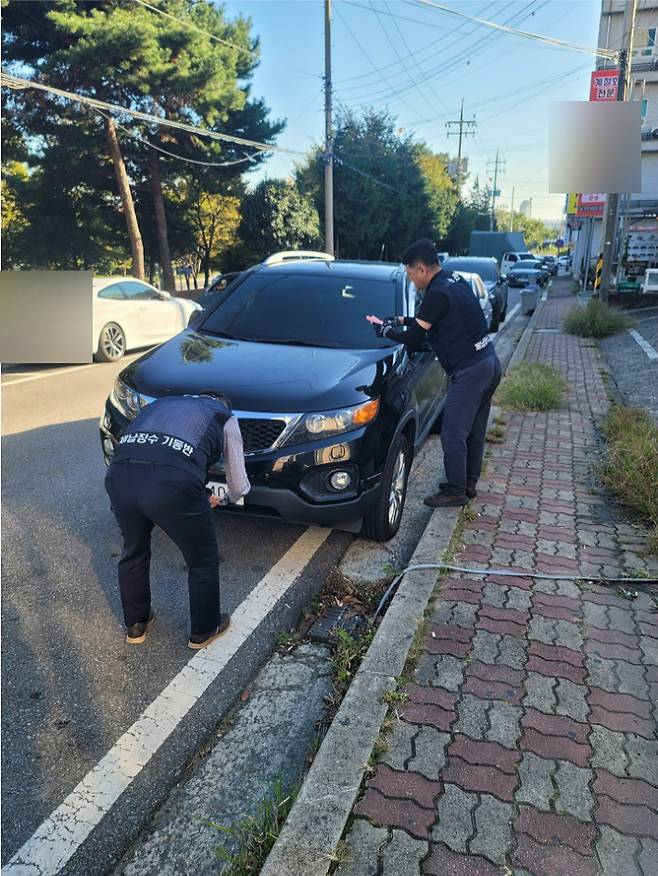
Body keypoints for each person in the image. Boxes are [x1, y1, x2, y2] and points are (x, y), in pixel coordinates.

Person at [105, 392, 250, 649]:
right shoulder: (224, 417)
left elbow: (149, 448)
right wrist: (221, 497)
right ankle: (204, 630)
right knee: (202, 558)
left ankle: (136, 624)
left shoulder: (159, 405)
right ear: (222, 404)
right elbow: (238, 485)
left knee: (133, 550)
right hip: (173, 483)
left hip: (120, 475)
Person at [366, 238, 501, 508]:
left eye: (410, 273)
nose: (411, 279)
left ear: (421, 269)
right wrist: (399, 320)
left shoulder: (436, 294)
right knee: (473, 432)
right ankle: (467, 484)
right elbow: (431, 318)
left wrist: (385, 331)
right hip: (488, 363)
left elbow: (414, 339)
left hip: (470, 372)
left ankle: (455, 491)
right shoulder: (453, 280)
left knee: (452, 434)